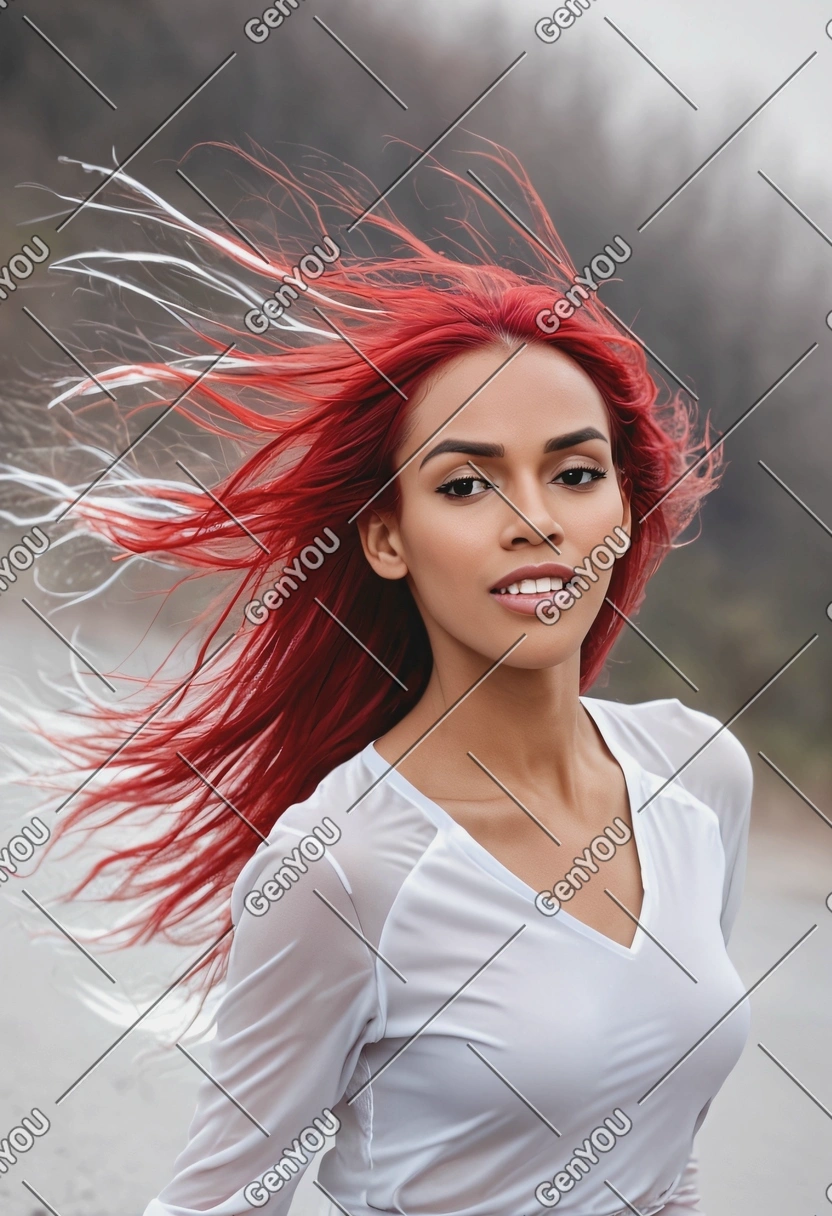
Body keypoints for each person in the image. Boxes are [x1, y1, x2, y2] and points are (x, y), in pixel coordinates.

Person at [29, 145, 752, 1215]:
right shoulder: (343, 865)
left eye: (575, 472)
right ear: (385, 539)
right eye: (466, 482)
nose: (536, 520)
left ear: (623, 509)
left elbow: (662, 1146)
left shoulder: (702, 776)